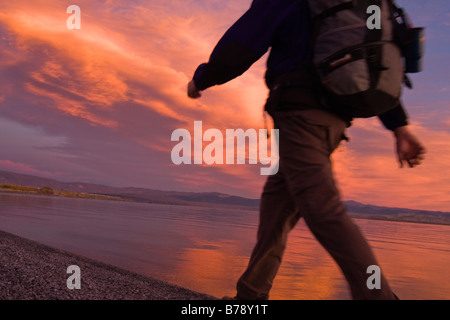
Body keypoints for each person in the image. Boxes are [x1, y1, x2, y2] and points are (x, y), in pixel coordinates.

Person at [187, 0, 426, 300]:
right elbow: (370, 61)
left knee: (323, 209)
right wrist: (399, 127)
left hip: (301, 117)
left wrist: (202, 79)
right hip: (333, 122)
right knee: (276, 209)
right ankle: (249, 298)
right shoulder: (349, 6)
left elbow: (244, 40)